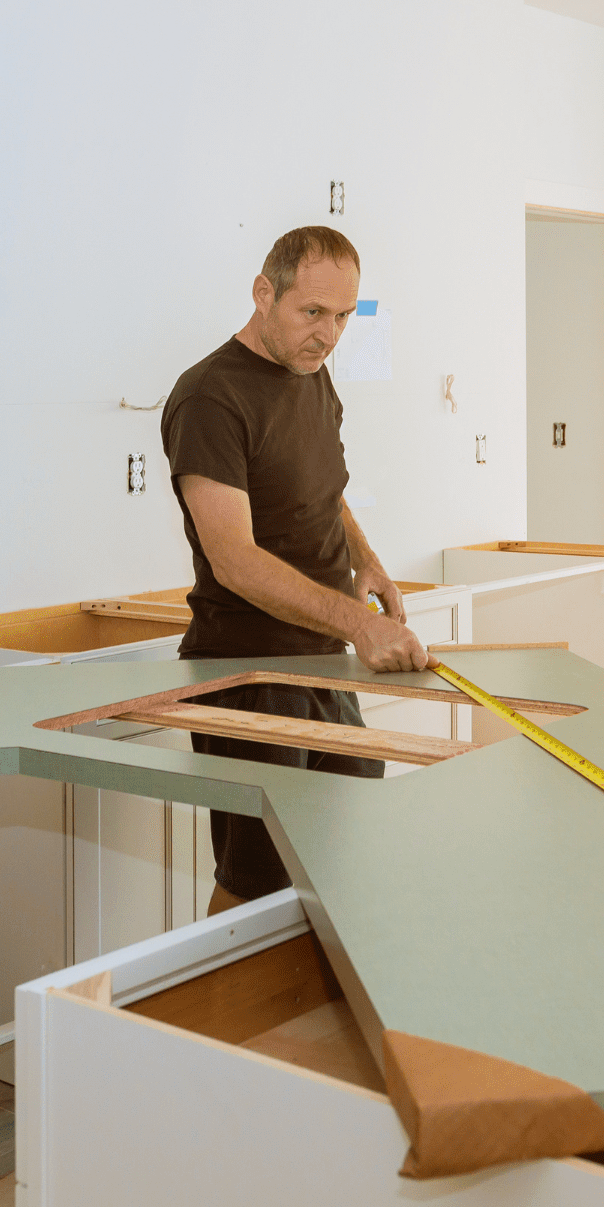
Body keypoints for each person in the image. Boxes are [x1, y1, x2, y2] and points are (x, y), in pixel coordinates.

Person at [161, 225, 433, 915]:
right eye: (312, 313)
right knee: (257, 879)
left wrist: (364, 560)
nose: (329, 334)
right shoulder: (209, 399)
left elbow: (319, 488)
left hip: (320, 661)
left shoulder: (312, 374)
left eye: (344, 316)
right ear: (263, 293)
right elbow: (237, 561)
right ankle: (214, 1021)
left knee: (339, 853)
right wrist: (356, 623)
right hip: (246, 672)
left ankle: (306, 1015)